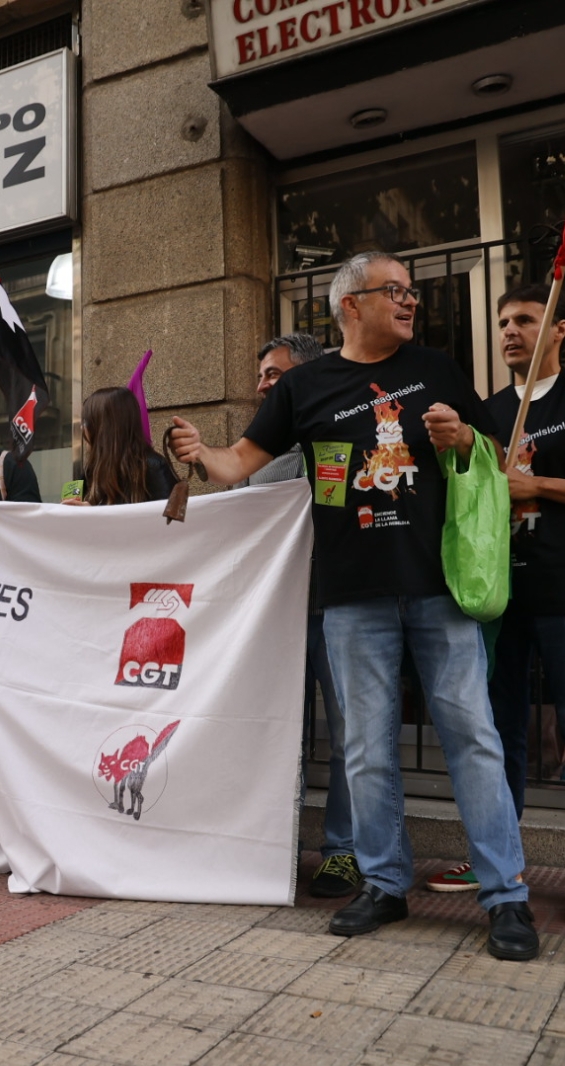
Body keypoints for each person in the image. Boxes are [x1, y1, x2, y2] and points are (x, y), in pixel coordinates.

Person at [167, 251, 538, 961]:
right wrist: (198, 448)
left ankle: (506, 896)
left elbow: (497, 455)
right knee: (366, 751)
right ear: (350, 305)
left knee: (473, 740)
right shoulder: (304, 386)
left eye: (410, 292)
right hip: (350, 599)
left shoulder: (437, 368)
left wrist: (463, 439)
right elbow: (237, 463)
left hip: (439, 588)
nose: (409, 302)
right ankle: (384, 884)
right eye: (394, 291)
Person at [425, 283, 565, 925]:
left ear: (560, 331)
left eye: (526, 319)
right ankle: (502, 855)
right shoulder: (492, 411)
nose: (510, 331)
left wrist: (539, 484)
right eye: (503, 322)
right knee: (498, 730)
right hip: (499, 591)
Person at [238, 334, 360, 899]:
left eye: (274, 374)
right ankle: (277, 844)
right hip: (279, 623)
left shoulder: (346, 443)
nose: (263, 384)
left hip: (341, 614)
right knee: (280, 737)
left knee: (349, 737)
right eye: (261, 375)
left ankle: (343, 852)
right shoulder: (255, 463)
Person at [65, 386, 177, 507]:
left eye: (86, 422)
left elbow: (167, 521)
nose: (82, 428)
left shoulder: (153, 467)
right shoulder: (91, 471)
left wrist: (94, 513)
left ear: (106, 428)